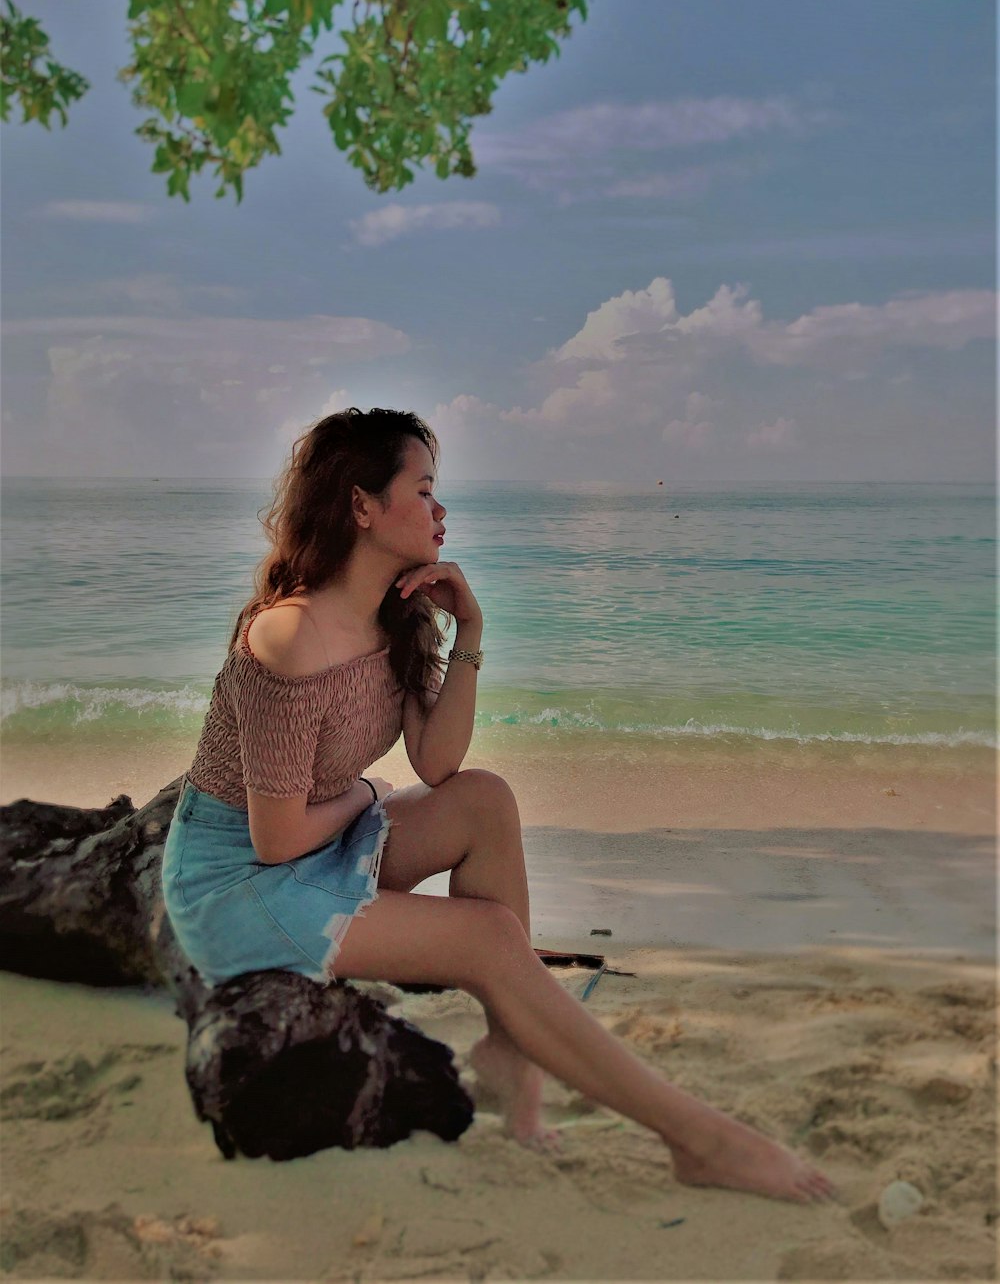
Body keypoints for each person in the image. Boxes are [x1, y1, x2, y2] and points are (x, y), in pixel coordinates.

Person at [162, 406, 836, 1204]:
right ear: (360, 506)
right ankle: (700, 1139)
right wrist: (368, 793)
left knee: (486, 799)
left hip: (311, 846)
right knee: (487, 938)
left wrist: (469, 627)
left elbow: (441, 764)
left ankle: (513, 1071)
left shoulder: (395, 614)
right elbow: (275, 843)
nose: (441, 511)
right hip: (237, 883)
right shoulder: (291, 636)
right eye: (423, 489)